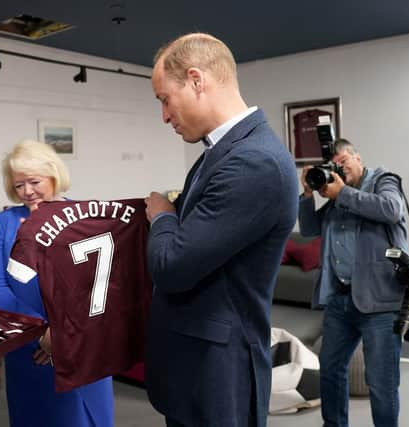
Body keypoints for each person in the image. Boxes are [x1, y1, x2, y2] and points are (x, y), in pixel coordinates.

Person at [144, 33, 299, 427]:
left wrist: (162, 215)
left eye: (165, 99)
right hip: (195, 366)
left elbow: (172, 265)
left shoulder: (254, 162)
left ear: (197, 80)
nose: (164, 116)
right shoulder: (221, 153)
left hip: (219, 374)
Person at [0, 140, 114, 427]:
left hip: (80, 348)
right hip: (26, 348)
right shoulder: (5, 223)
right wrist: (40, 332)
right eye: (19, 185)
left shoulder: (86, 217)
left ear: (54, 175)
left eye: (34, 181)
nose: (27, 192)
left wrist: (61, 336)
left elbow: (101, 289)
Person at [299, 139, 406, 427]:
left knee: (381, 383)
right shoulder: (335, 199)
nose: (341, 168)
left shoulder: (383, 180)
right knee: (331, 371)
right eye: (335, 164)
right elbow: (309, 228)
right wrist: (308, 194)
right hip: (339, 300)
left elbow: (392, 209)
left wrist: (342, 193)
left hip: (380, 302)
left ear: (358, 158)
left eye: (344, 161)